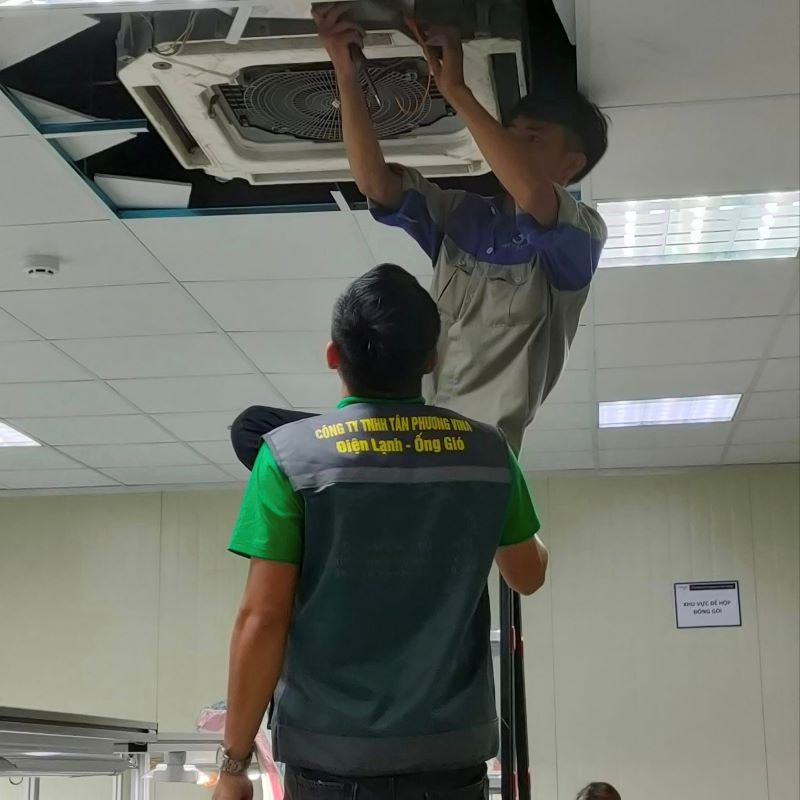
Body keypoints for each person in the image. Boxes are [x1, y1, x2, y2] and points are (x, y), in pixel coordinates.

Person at [213, 264, 548, 800]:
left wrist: (234, 766)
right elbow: (527, 576)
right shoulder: (489, 453)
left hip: (330, 762)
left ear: (333, 355)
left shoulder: (286, 459)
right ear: (432, 359)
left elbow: (262, 619)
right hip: (450, 759)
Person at [231, 5, 608, 459]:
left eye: (532, 138)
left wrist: (456, 90)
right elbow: (376, 184)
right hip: (403, 428)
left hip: (469, 449)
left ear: (571, 164)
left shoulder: (579, 239)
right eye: (508, 133)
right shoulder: (461, 215)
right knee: (255, 429)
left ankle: (371, 486)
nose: (510, 145)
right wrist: (345, 72)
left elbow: (533, 194)